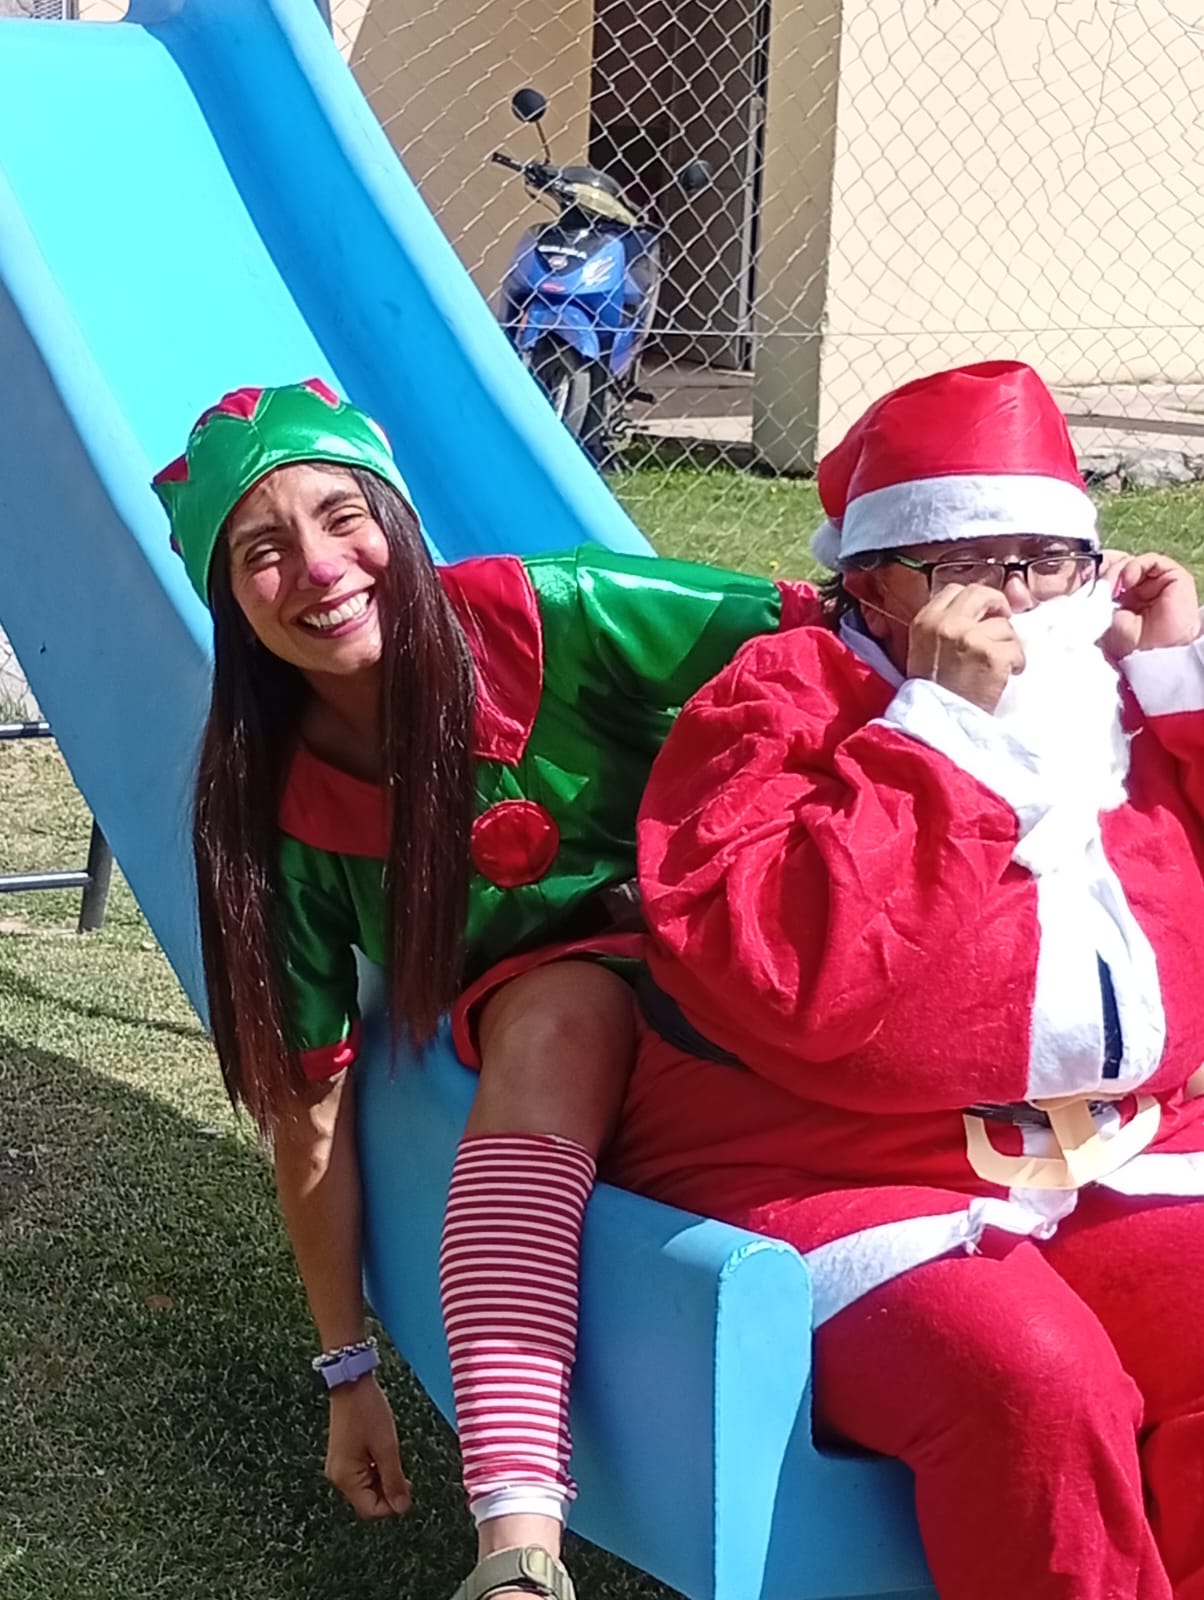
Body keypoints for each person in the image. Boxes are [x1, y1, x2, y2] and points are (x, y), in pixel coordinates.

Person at [151, 378, 814, 1600]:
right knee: (555, 1011)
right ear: (229, 601)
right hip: (561, 1007)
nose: (318, 567)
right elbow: (306, 1104)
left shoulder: (545, 615)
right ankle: (516, 1554)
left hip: (745, 927)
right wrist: (346, 1368)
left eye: (342, 516)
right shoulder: (277, 814)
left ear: (397, 522)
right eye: (261, 550)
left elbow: (818, 632)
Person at [612, 361, 1204, 1600]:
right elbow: (792, 977)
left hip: (1116, 1148)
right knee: (1030, 1377)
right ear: (873, 583)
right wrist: (944, 731)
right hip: (838, 1168)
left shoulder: (1109, 694)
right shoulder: (780, 701)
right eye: (966, 564)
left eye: (1046, 559)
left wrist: (1178, 682)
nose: (1015, 597)